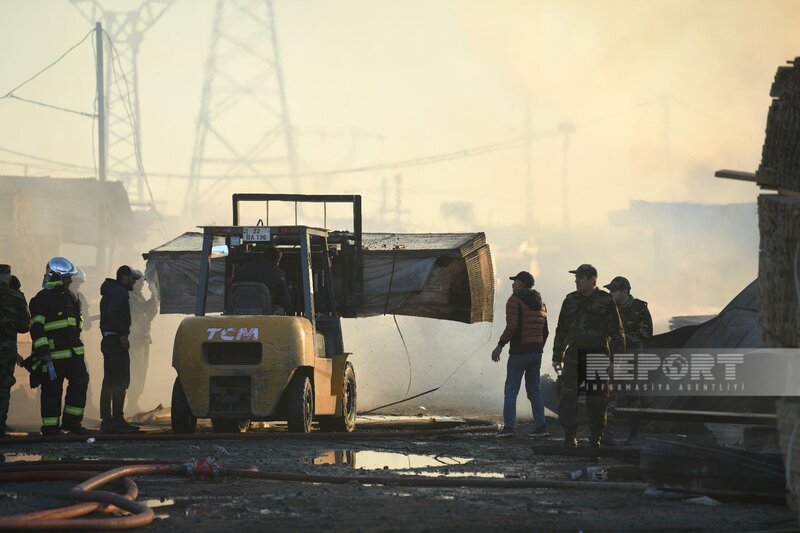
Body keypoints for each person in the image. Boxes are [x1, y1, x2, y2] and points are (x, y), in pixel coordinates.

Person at [552, 264, 625, 448]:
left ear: (593, 280)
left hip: (597, 355)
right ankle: (570, 436)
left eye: (581, 277)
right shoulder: (570, 300)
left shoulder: (605, 301)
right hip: (574, 354)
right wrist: (557, 355)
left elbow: (617, 334)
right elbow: (561, 329)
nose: (576, 280)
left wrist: (616, 362)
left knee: (597, 399)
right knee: (567, 396)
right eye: (576, 277)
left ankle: (595, 437)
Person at [28, 257, 90, 436]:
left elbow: (76, 324)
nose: (70, 280)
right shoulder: (41, 299)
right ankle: (50, 427)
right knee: (52, 392)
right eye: (67, 278)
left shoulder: (71, 297)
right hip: (53, 356)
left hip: (73, 354)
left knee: (80, 383)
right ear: (57, 277)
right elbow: (37, 329)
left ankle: (72, 423)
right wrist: (43, 353)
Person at [491, 271, 549, 438]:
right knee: (534, 391)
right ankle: (541, 428)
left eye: (515, 281)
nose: (512, 284)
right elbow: (545, 331)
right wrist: (538, 348)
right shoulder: (541, 303)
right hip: (536, 353)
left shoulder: (514, 300)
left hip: (518, 353)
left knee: (511, 391)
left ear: (521, 284)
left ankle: (509, 429)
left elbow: (512, 326)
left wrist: (499, 346)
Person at [604, 275, 653, 442]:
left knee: (632, 397)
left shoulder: (639, 308)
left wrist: (622, 338)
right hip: (614, 358)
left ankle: (633, 434)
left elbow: (646, 333)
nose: (610, 294)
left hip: (633, 359)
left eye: (613, 291)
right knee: (610, 396)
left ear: (624, 291)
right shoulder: (610, 308)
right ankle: (608, 434)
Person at [99, 265, 141, 433]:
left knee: (109, 380)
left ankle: (107, 420)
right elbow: (114, 312)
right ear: (124, 277)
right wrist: (123, 334)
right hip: (116, 341)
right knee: (120, 380)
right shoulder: (120, 292)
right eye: (132, 278)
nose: (134, 282)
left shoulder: (111, 291)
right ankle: (117, 419)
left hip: (109, 340)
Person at [0, 265, 30, 438]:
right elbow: (24, 327)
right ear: (7, 277)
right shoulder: (16, 297)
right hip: (6, 348)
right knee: (3, 387)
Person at [127, 270, 158, 414]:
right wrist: (154, 298)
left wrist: (153, 303)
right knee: (135, 371)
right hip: (135, 341)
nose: (142, 284)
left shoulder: (138, 296)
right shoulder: (129, 296)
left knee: (141, 372)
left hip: (143, 339)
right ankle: (131, 405)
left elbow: (148, 315)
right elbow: (139, 310)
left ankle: (134, 403)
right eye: (140, 281)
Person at [232, 245, 290, 314]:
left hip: (238, 310)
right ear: (278, 261)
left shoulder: (243, 269)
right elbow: (284, 301)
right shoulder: (279, 274)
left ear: (262, 257)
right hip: (264, 314)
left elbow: (231, 289)